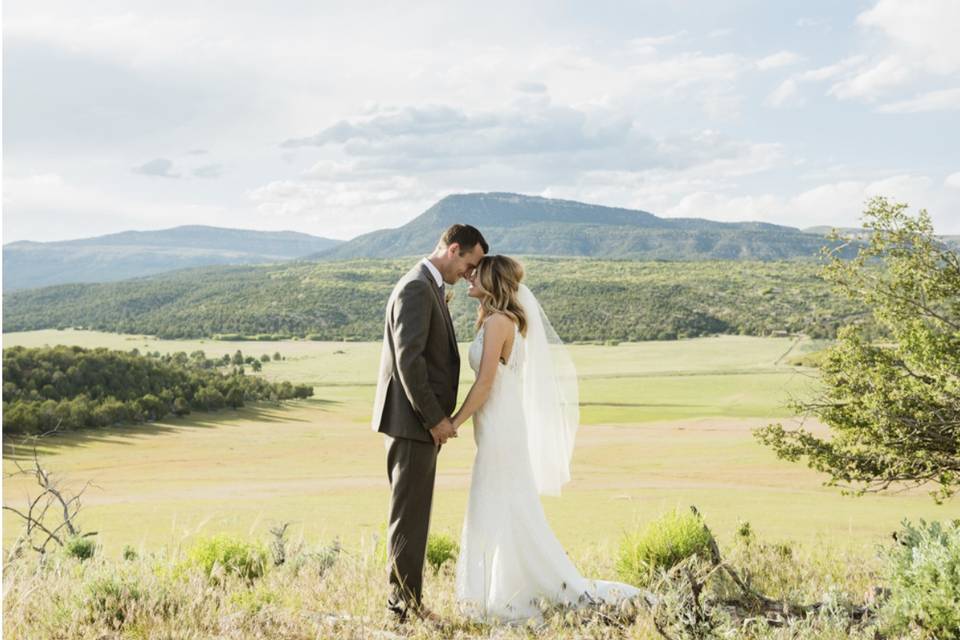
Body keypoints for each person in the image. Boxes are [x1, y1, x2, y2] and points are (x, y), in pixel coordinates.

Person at [451, 254, 641, 622]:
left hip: (500, 427)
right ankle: (503, 588)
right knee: (501, 502)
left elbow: (486, 382)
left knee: (496, 501)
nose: (468, 278)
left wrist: (454, 421)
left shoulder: (498, 323)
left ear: (492, 282)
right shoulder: (496, 320)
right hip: (499, 425)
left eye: (476, 274)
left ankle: (510, 594)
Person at [371, 223, 488, 622]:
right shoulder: (417, 287)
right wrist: (436, 420)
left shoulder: (428, 284)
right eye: (469, 264)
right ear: (453, 249)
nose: (469, 274)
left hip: (415, 423)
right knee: (409, 515)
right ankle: (401, 610)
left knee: (415, 514)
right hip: (412, 423)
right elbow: (409, 361)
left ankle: (408, 603)